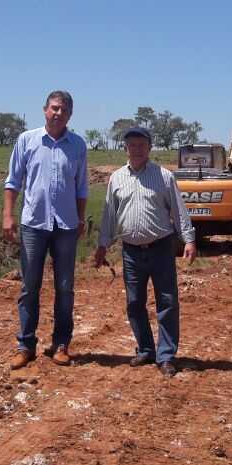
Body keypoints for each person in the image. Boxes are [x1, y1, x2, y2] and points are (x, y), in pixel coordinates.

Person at [93, 126, 196, 376]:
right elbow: (109, 215)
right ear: (125, 148)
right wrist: (102, 246)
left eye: (141, 145)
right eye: (131, 145)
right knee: (135, 302)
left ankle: (166, 356)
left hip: (160, 248)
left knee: (168, 302)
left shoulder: (164, 176)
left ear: (149, 148)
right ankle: (146, 350)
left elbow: (179, 210)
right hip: (130, 252)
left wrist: (189, 240)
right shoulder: (117, 178)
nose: (136, 149)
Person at [3, 90, 88, 369]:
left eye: (63, 110)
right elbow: (13, 181)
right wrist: (8, 215)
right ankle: (25, 345)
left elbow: (81, 188)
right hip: (33, 224)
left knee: (65, 287)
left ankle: (61, 344)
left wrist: (80, 219)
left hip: (65, 225)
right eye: (54, 108)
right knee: (30, 286)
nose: (58, 113)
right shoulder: (27, 140)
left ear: (70, 114)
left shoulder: (78, 145)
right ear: (44, 110)